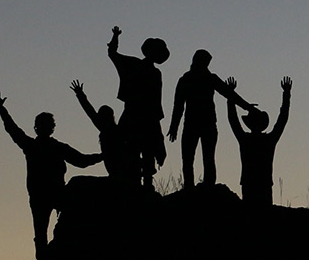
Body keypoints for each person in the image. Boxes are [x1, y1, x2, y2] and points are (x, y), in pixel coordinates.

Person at [0, 89, 102, 260]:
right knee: (42, 230)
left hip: (51, 194)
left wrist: (102, 156)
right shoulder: (37, 146)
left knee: (45, 229)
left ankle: (53, 258)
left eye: (50, 124)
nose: (49, 127)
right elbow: (81, 161)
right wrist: (1, 109)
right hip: (43, 194)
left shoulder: (42, 146)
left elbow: (81, 160)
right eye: (48, 124)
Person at [167, 49, 257, 188]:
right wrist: (174, 126)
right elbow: (178, 105)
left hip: (204, 124)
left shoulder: (203, 79)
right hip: (194, 124)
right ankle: (191, 187)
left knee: (204, 158)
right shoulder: (188, 79)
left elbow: (229, 94)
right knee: (192, 158)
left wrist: (247, 107)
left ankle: (206, 185)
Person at [107, 25, 169, 189]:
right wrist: (115, 36)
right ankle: (135, 184)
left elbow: (156, 99)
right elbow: (112, 54)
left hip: (146, 117)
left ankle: (144, 185)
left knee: (146, 152)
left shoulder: (155, 73)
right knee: (133, 150)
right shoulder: (134, 64)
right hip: (136, 115)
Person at [226, 76, 291, 206]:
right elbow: (282, 119)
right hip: (264, 183)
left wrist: (230, 95)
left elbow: (233, 119)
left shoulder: (245, 139)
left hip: (249, 183)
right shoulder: (269, 140)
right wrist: (286, 94)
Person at [69, 79, 133, 182]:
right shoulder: (111, 129)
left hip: (121, 170)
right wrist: (80, 95)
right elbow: (90, 111)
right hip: (116, 171)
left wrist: (80, 95)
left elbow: (90, 112)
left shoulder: (115, 131)